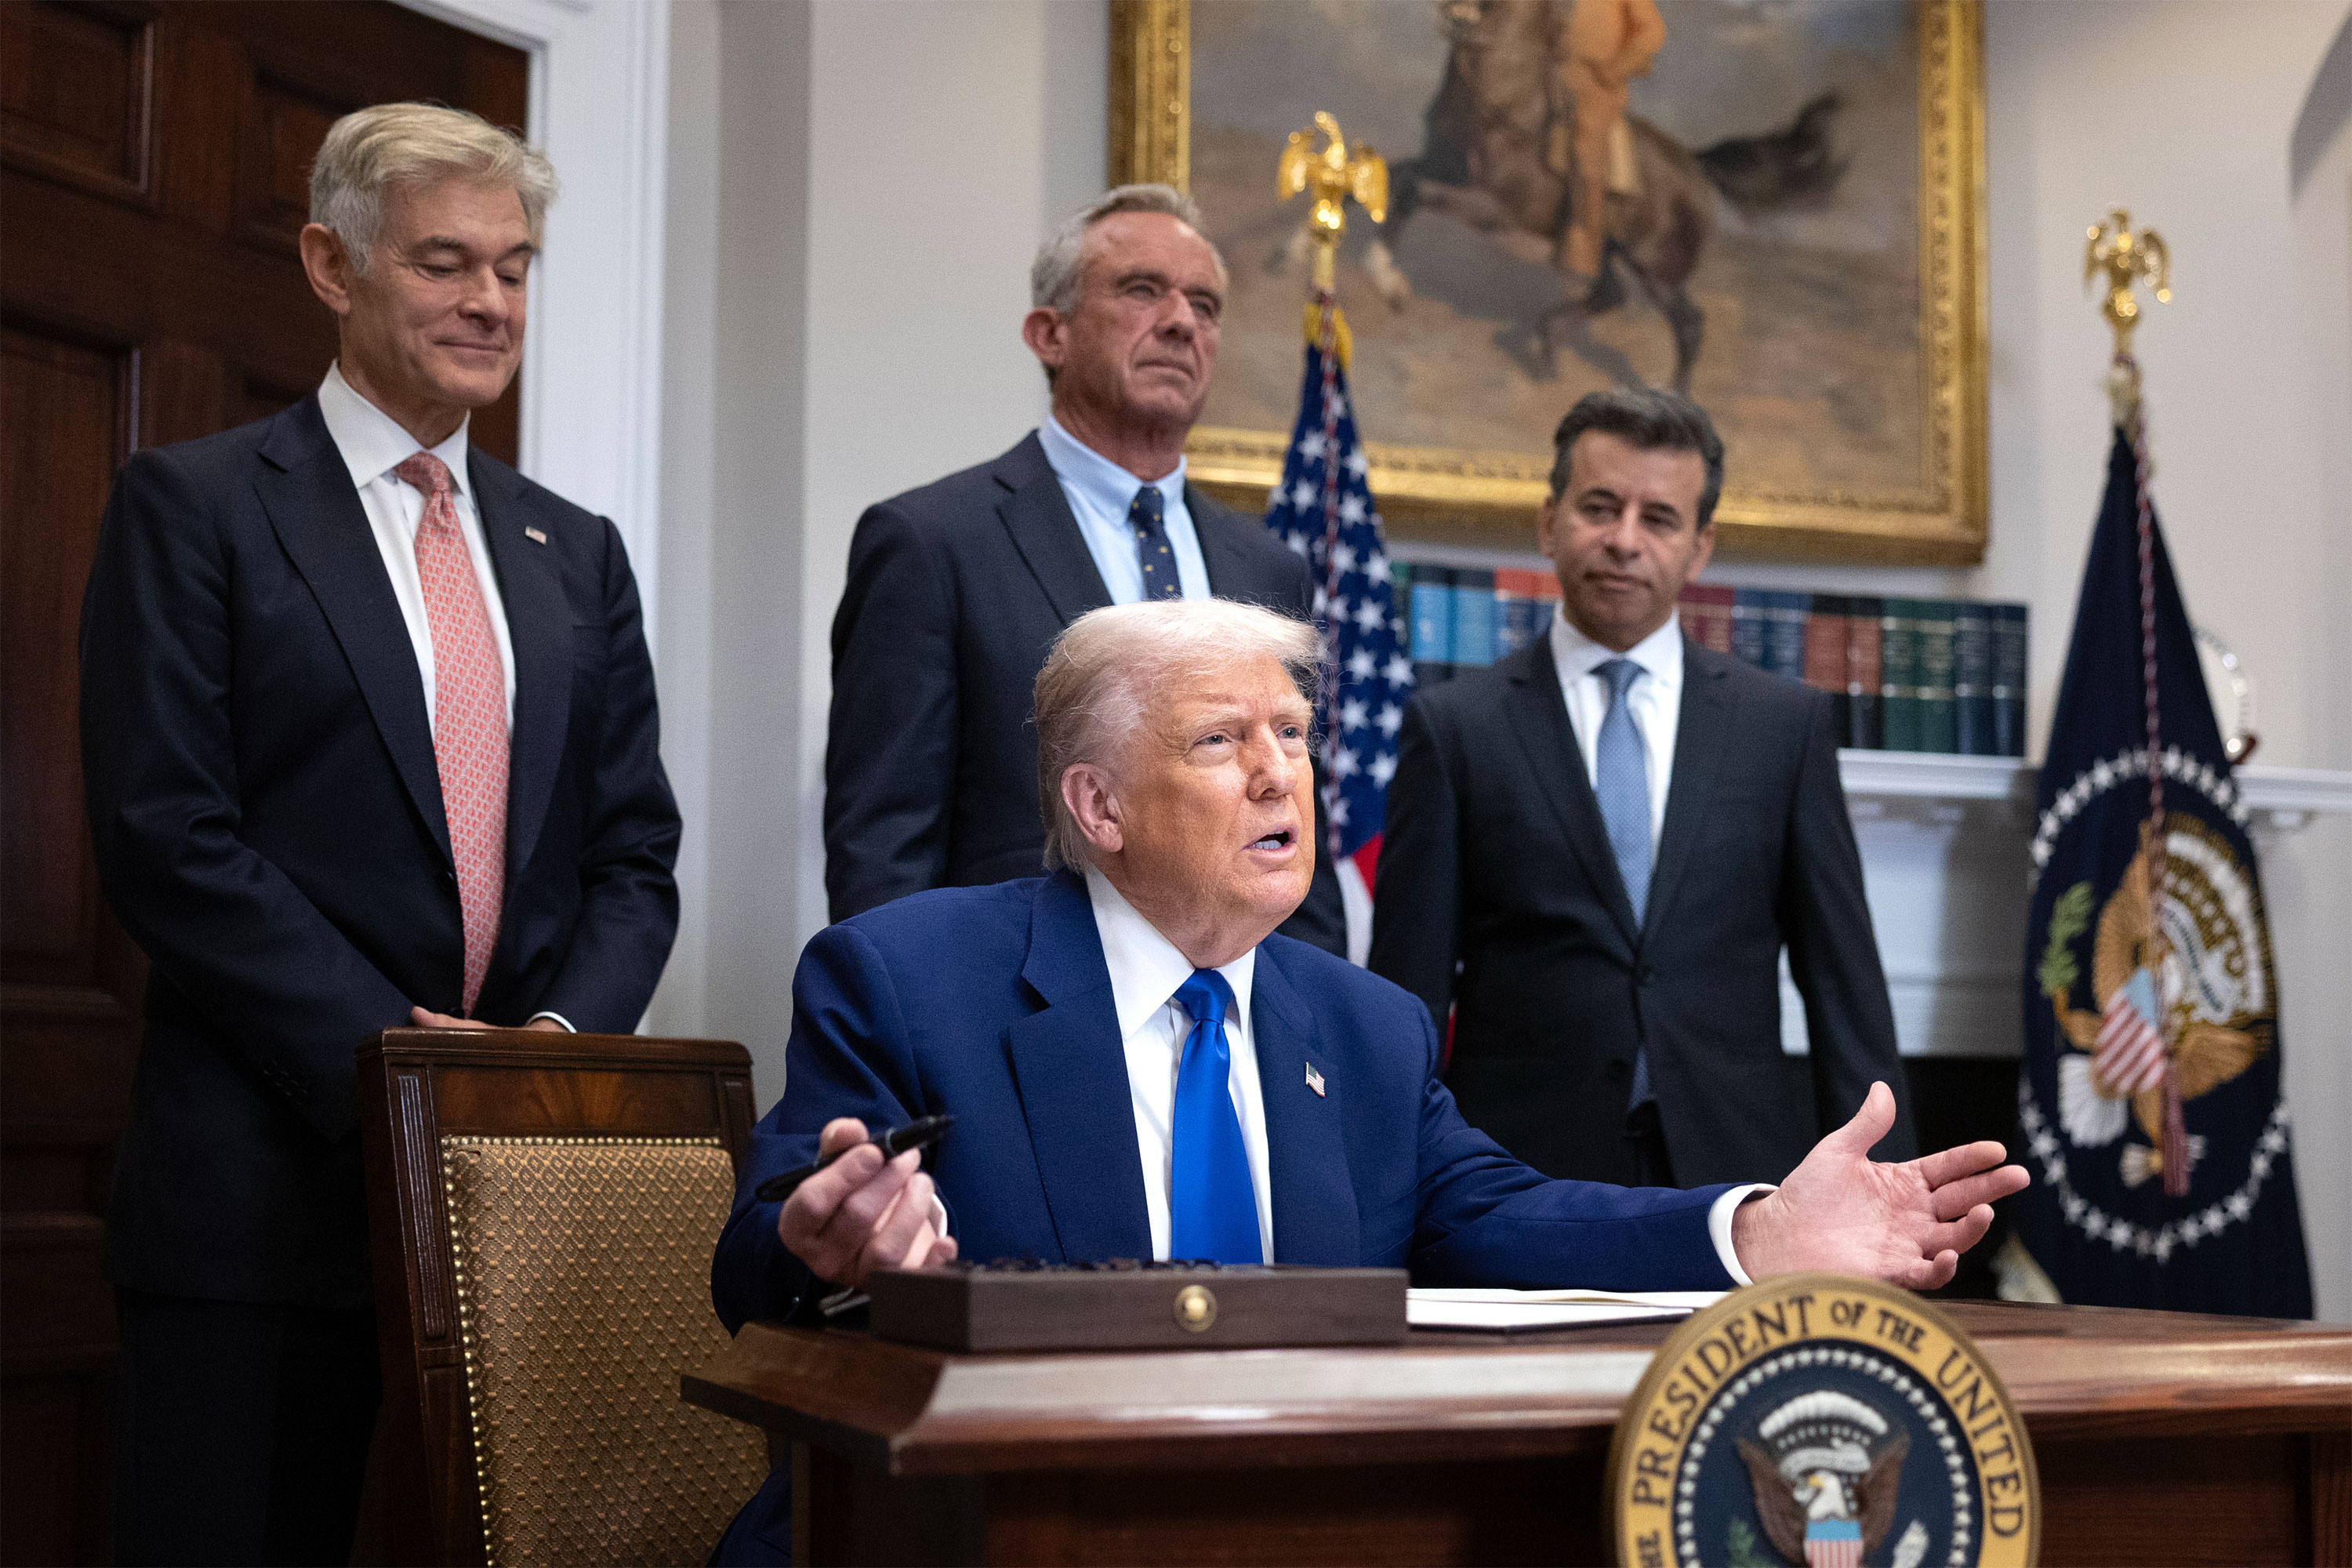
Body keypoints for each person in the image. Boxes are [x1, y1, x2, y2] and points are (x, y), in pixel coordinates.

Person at [707, 598, 2024, 1563]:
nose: (1283, 772)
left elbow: (1507, 1217)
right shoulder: (909, 977)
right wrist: (832, 1245)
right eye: (1225, 741)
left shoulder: (1368, 1029)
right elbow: (760, 1257)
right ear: (1099, 807)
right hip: (978, 1533)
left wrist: (1756, 1233)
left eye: (1293, 730)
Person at [79, 103, 681, 1565]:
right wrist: (400, 1072)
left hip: (515, 1209)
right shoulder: (199, 508)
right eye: (444, 263)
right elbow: (167, 833)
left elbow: (630, 859)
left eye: (516, 268)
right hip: (261, 1210)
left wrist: (544, 1049)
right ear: (332, 266)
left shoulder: (574, 551)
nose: (490, 303)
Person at [1370, 389, 1913, 1192]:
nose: (1625, 540)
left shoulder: (1781, 727)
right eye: (1600, 507)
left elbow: (1845, 988)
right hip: (1517, 1179)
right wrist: (1390, 1193)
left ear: (1699, 548)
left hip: (1739, 1177)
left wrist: (1886, 1194)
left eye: (1658, 518)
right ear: (1549, 523)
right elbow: (1404, 997)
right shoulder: (1455, 729)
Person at [822, 183, 1344, 953]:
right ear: (1049, 333)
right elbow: (884, 849)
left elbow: (1293, 835)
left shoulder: (1268, 568)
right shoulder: (931, 542)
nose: (1180, 322)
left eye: (1204, 306)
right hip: (1016, 1019)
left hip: (1231, 1034)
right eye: (1142, 291)